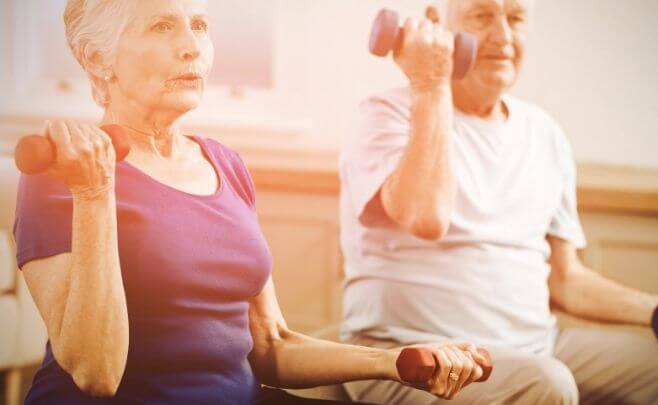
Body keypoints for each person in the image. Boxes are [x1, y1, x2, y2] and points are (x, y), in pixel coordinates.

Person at [13, 1, 489, 403]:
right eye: (162, 26)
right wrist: (96, 192)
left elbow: (270, 345)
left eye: (200, 26)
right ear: (99, 58)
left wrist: (393, 362)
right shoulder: (61, 175)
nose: (192, 46)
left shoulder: (226, 164)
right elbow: (96, 372)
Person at [338, 0, 658, 403]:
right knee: (546, 383)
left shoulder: (544, 132)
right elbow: (426, 215)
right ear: (439, 26)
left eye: (515, 18)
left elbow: (566, 280)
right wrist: (431, 82)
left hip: (535, 349)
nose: (502, 36)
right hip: (411, 355)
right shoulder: (384, 113)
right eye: (482, 16)